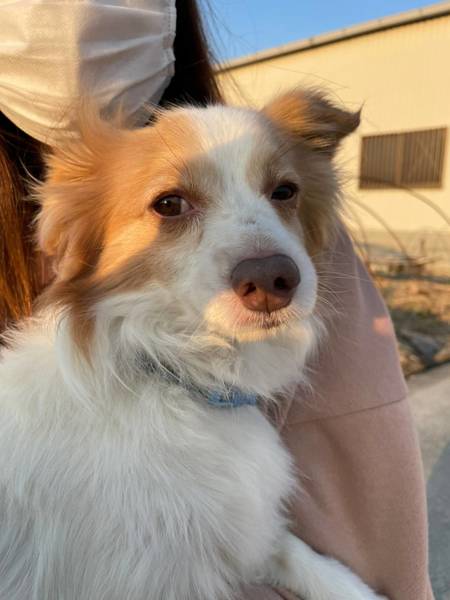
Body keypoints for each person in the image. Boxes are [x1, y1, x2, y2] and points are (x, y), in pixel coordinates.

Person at [0, 1, 433, 598]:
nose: (265, 262)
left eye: (281, 192)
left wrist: (308, 569)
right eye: (170, 204)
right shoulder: (63, 430)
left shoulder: (232, 404)